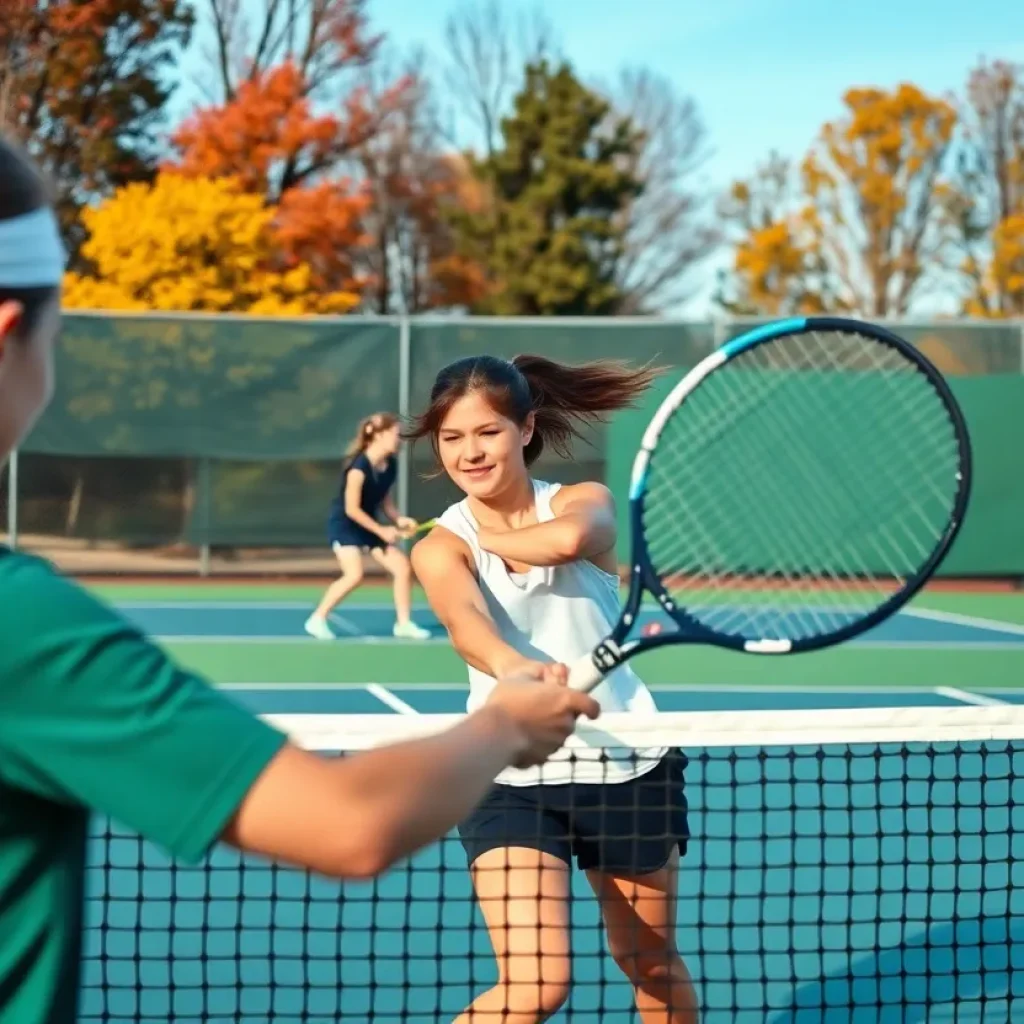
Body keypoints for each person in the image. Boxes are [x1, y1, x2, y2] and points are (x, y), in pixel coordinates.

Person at [0, 135, 601, 1024]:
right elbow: (346, 823)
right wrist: (504, 726)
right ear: (11, 327)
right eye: (64, 327)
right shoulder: (25, 626)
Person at [408, 354, 700, 1024]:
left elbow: (575, 538)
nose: (469, 452)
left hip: (627, 766)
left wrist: (497, 541)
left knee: (649, 961)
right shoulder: (437, 546)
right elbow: (464, 623)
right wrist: (516, 671)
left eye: (486, 432)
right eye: (451, 438)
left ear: (525, 427)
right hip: (506, 775)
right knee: (536, 985)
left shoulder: (578, 501)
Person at [305, 412, 430, 640]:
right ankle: (317, 619)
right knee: (354, 575)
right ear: (379, 435)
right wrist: (381, 530)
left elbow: (385, 501)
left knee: (402, 568)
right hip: (345, 524)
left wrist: (399, 519)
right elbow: (351, 509)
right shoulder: (358, 467)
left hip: (367, 524)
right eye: (395, 434)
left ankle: (403, 624)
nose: (399, 439)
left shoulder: (389, 465)